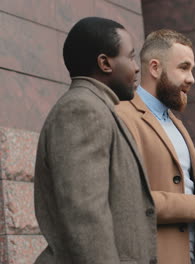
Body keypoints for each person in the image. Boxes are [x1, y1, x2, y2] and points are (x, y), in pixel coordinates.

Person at [34, 17, 157, 263]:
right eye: (131, 57)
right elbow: (85, 215)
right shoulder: (81, 110)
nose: (136, 68)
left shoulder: (99, 108)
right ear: (105, 63)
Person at [116, 29, 195, 264]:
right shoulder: (122, 117)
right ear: (155, 68)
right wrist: (194, 206)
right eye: (184, 68)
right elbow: (126, 200)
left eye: (192, 70)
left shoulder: (175, 124)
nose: (191, 78)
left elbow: (189, 190)